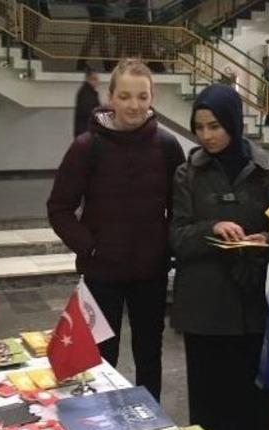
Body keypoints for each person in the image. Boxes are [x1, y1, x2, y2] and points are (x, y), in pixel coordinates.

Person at [48, 59, 185, 401]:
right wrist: (90, 246)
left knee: (149, 356)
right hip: (102, 274)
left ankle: (149, 422)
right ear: (110, 97)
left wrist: (164, 247)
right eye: (125, 96)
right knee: (100, 359)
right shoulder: (86, 147)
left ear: (152, 97)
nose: (134, 105)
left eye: (142, 96)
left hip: (149, 273)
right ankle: (104, 426)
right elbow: (59, 208)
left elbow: (181, 208)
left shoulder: (167, 147)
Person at [170, 84, 269, 430]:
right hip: (204, 309)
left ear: (233, 123)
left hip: (251, 306)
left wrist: (265, 240)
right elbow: (177, 236)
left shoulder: (267, 172)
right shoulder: (188, 172)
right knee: (208, 405)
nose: (207, 135)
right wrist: (212, 228)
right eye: (199, 127)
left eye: (215, 126)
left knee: (253, 403)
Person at [74, 68, 101, 137]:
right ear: (88, 79)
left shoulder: (87, 92)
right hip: (86, 132)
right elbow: (89, 111)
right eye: (95, 79)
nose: (98, 81)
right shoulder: (86, 94)